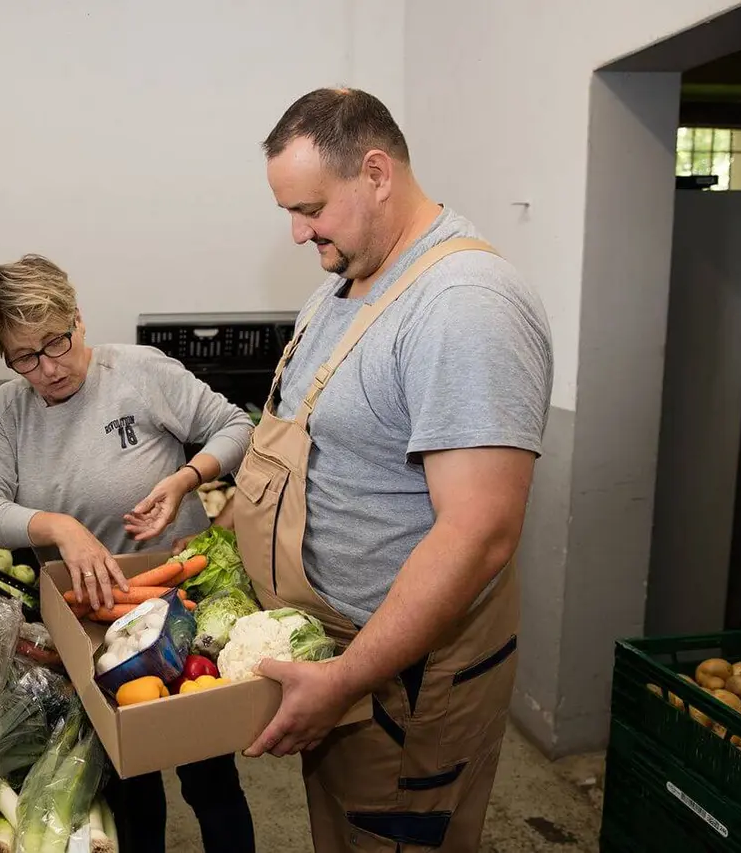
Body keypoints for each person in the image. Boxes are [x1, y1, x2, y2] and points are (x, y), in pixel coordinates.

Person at [215, 88, 554, 852]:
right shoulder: (345, 280)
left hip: (398, 686)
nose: (299, 232)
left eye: (310, 209)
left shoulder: (464, 305)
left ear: (375, 173)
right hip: (341, 663)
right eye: (288, 213)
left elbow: (478, 533)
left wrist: (346, 679)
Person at [0, 254, 258, 853]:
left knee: (208, 777)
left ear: (78, 318)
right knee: (127, 783)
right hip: (92, 627)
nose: (48, 368)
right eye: (25, 357)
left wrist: (187, 479)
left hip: (179, 610)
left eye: (56, 342)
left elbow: (237, 427)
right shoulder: (9, 410)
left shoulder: (139, 372)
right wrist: (57, 527)